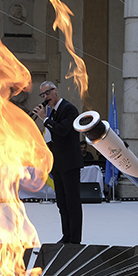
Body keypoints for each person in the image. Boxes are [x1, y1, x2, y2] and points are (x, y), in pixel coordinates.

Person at [31, 81, 83, 244]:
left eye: (47, 93)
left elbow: (63, 130)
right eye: (42, 95)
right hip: (58, 163)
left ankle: (75, 239)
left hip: (70, 163)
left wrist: (44, 119)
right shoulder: (53, 113)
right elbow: (52, 137)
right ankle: (66, 236)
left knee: (72, 202)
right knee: (62, 203)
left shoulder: (69, 109)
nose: (45, 97)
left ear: (55, 91)